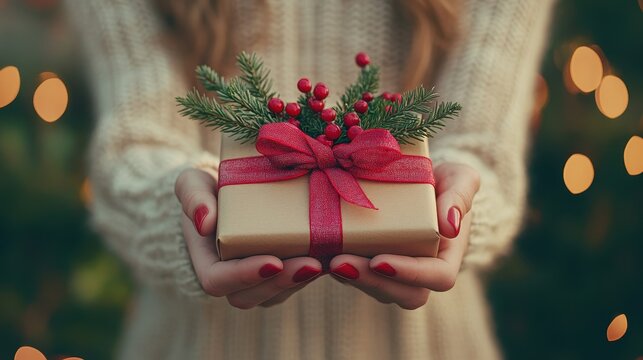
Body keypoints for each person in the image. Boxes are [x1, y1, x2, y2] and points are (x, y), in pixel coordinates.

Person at [66, 0, 554, 358]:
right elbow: (132, 149)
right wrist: (185, 214)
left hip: (431, 344)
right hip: (192, 342)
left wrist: (457, 212)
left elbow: (483, 150)